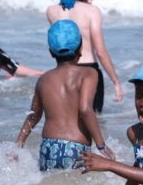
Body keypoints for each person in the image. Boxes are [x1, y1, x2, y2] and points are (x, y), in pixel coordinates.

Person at [15, 20, 112, 171]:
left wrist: (19, 144)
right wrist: (101, 145)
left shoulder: (44, 79)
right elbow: (85, 109)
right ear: (81, 46)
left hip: (48, 147)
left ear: (50, 52)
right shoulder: (89, 74)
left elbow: (33, 115)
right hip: (76, 148)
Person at [46, 0, 124, 113]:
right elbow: (100, 51)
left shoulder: (51, 11)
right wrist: (116, 81)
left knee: (69, 118)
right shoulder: (92, 11)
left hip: (63, 71)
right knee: (92, 118)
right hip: (89, 71)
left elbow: (64, 32)